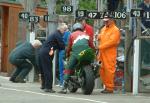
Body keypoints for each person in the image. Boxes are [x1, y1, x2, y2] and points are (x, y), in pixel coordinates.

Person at [59, 23, 95, 94]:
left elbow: (69, 47)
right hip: (87, 52)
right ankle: (93, 69)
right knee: (92, 64)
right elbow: (92, 46)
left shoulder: (71, 35)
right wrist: (94, 52)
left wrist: (67, 54)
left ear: (74, 28)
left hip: (76, 53)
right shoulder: (86, 35)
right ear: (82, 29)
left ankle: (64, 88)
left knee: (68, 68)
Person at [39, 23, 67, 93]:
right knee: (48, 70)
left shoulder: (54, 33)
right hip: (47, 53)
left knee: (44, 70)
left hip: (42, 52)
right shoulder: (58, 34)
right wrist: (67, 47)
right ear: (60, 29)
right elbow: (62, 45)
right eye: (64, 30)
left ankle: (44, 85)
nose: (65, 32)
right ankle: (48, 87)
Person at [97, 14, 121, 93]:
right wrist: (98, 36)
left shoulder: (115, 30)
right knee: (101, 70)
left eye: (106, 21)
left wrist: (100, 47)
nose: (105, 22)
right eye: (104, 21)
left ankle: (110, 88)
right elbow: (103, 36)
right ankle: (106, 86)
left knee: (109, 70)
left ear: (111, 20)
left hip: (110, 54)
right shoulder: (103, 29)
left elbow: (112, 42)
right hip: (102, 53)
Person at [138, 0, 150, 65]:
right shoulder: (140, 6)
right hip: (143, 30)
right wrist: (145, 29)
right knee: (143, 44)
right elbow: (138, 20)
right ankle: (142, 61)